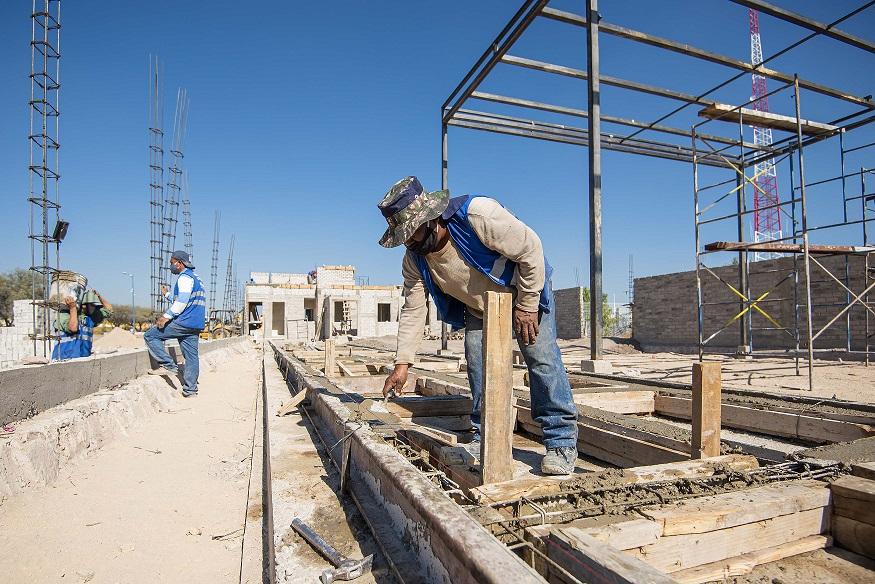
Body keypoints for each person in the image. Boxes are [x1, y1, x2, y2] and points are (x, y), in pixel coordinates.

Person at [377, 176, 579, 475]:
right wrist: (402, 363)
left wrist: (527, 305)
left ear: (431, 219)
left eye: (412, 233)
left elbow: (531, 249)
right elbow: (414, 309)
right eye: (403, 236)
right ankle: (485, 436)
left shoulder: (478, 215)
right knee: (478, 365)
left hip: (524, 293)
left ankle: (560, 442)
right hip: (480, 307)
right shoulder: (414, 259)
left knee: (542, 361)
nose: (409, 242)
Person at [144, 250, 206, 397]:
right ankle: (190, 390)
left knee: (150, 336)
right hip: (195, 324)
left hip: (184, 322)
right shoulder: (196, 278)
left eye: (172, 263)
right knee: (191, 357)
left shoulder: (184, 277)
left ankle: (169, 365)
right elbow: (181, 298)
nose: (171, 266)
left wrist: (166, 316)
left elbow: (182, 301)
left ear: (180, 263)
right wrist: (166, 294)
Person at [51, 289, 113, 360]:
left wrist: (99, 297)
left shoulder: (90, 319)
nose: (94, 307)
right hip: (63, 360)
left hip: (82, 360)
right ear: (83, 305)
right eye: (91, 305)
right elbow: (73, 328)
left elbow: (109, 311)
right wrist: (73, 308)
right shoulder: (64, 314)